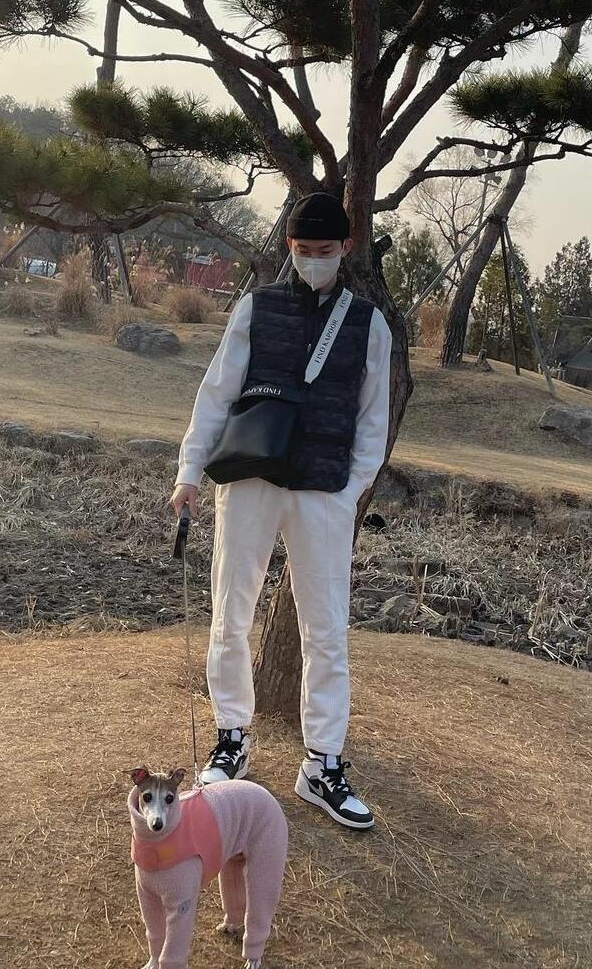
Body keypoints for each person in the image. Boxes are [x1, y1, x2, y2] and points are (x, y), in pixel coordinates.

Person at [170, 193, 392, 830]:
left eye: (325, 250)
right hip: (249, 478)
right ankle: (231, 739)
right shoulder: (257, 306)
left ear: (346, 248)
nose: (313, 260)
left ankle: (322, 763)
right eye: (303, 250)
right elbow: (216, 392)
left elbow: (373, 417)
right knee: (230, 612)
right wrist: (189, 470)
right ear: (289, 247)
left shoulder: (368, 323)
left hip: (324, 489)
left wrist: (351, 492)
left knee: (327, 630)